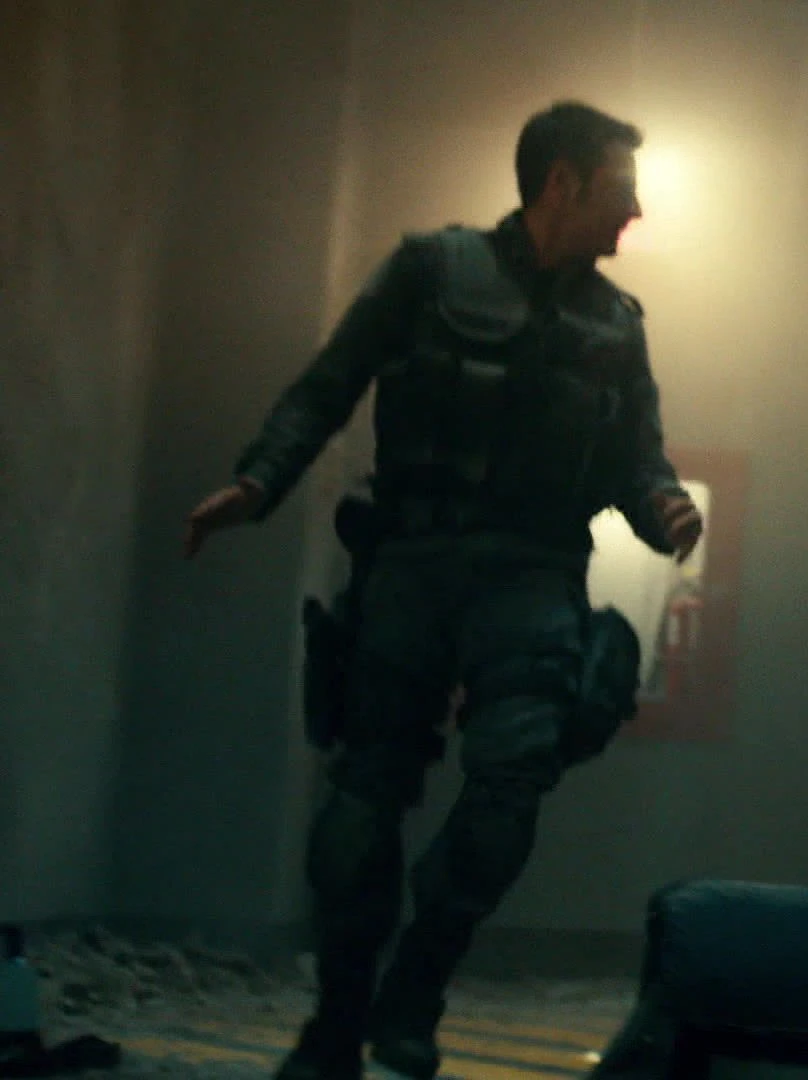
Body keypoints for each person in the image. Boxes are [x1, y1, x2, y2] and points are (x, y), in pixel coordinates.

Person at [182, 101, 704, 1080]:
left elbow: (638, 458)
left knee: (512, 785)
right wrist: (258, 481)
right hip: (412, 565)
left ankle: (415, 991)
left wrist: (665, 505)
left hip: (534, 578)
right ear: (561, 183)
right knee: (362, 801)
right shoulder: (432, 270)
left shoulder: (615, 323)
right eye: (621, 192)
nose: (634, 215)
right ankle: (336, 1025)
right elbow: (329, 384)